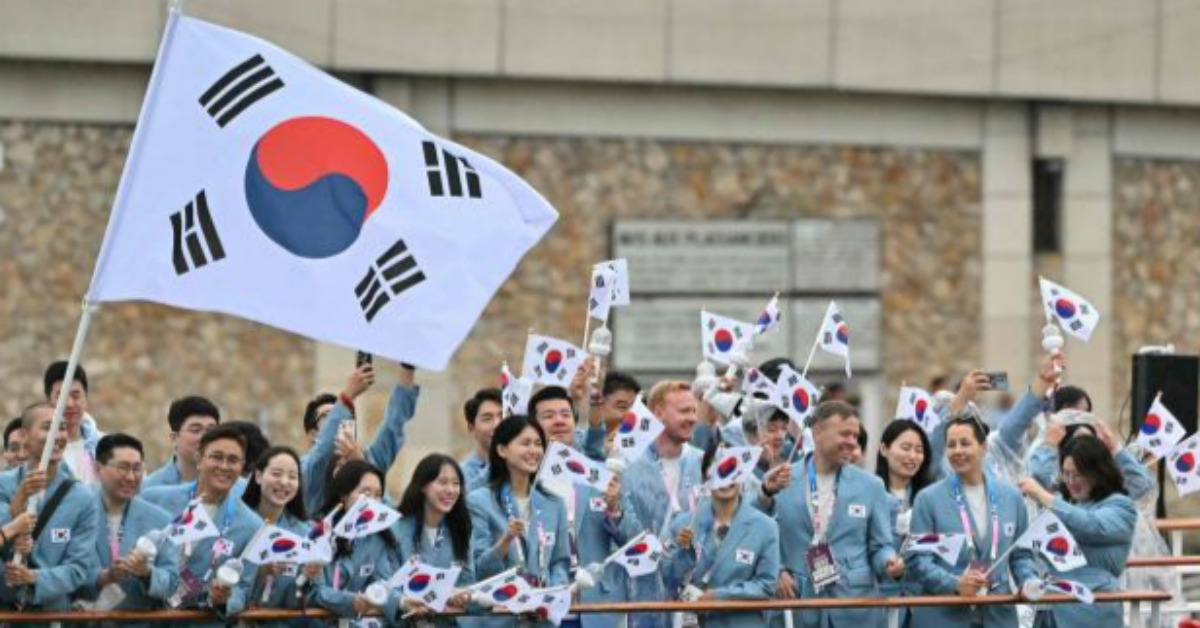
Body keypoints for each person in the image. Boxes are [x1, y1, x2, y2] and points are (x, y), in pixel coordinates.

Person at [757, 400, 902, 628]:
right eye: (844, 434)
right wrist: (777, 571)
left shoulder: (871, 486)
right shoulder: (781, 478)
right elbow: (755, 532)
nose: (852, 442)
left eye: (855, 436)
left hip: (855, 608)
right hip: (797, 605)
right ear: (817, 433)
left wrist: (890, 562)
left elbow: (881, 546)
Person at [909, 416, 1040, 628]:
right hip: (944, 616)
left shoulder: (1011, 497)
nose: (957, 451)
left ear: (984, 447)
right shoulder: (928, 499)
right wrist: (955, 584)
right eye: (951, 445)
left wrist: (1028, 580)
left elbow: (1021, 554)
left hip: (998, 614)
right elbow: (917, 561)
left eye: (965, 443)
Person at [531, 386, 641, 628]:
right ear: (533, 428)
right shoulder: (527, 483)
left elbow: (633, 540)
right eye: (548, 416)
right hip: (546, 606)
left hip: (598, 606)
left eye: (565, 414)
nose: (559, 421)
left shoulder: (601, 475)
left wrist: (614, 509)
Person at [140, 424, 262, 624]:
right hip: (147, 616)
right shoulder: (155, 499)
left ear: (241, 467)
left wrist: (222, 599)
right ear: (199, 460)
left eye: (233, 460)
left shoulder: (251, 525)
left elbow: (243, 590)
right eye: (216, 457)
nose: (224, 466)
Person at [1019, 437, 1137, 628]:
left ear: (1099, 472)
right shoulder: (1069, 506)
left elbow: (1092, 525)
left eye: (1078, 474)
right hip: (1049, 609)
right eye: (1066, 474)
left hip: (1090, 613)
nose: (1071, 481)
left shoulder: (1121, 506)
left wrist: (1044, 496)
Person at [468, 415, 570, 628]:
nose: (534, 450)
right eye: (525, 443)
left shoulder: (554, 504)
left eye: (538, 444)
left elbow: (560, 561)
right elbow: (479, 570)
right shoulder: (480, 501)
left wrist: (552, 594)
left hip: (542, 619)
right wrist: (506, 541)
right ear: (502, 450)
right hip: (500, 618)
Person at [665, 442, 780, 628]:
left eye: (732, 467)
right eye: (718, 468)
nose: (726, 477)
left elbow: (766, 586)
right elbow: (669, 581)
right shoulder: (683, 524)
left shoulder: (766, 527)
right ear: (705, 476)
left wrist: (719, 597)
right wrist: (683, 553)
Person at [0, 402, 100, 610]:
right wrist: (19, 499)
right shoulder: (3, 486)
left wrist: (34, 577)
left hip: (51, 614)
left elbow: (78, 568)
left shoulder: (82, 497)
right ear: (25, 436)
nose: (57, 435)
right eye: (48, 427)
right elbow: (6, 534)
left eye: (61, 427)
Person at [620, 381, 704, 628]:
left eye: (694, 411)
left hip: (692, 596)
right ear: (657, 413)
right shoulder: (627, 464)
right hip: (637, 595)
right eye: (684, 411)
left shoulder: (702, 462)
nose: (692, 418)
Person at [78, 433, 180, 612]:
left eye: (137, 469)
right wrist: (104, 577)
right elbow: (63, 573)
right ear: (98, 468)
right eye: (123, 468)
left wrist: (146, 573)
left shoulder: (160, 520)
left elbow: (172, 582)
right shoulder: (77, 515)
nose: (131, 477)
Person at [303, 360, 418, 515]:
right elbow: (324, 449)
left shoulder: (370, 458)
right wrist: (347, 396)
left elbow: (394, 425)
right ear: (312, 434)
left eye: (346, 416)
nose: (340, 422)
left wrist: (407, 368)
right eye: (329, 418)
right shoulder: (307, 469)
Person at [311, 460, 401, 623]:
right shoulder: (320, 532)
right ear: (344, 495)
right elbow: (315, 591)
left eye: (378, 495)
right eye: (365, 493)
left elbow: (382, 583)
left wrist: (402, 601)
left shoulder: (376, 539)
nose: (372, 501)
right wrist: (352, 601)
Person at [242, 446, 321, 626]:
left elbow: (298, 602)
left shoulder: (305, 533)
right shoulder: (239, 523)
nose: (284, 482)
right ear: (258, 476)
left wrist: (305, 579)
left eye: (293, 477)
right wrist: (258, 572)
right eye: (276, 474)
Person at [395, 454, 476, 621]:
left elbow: (468, 582)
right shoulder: (396, 529)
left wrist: (463, 596)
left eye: (456, 484)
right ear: (423, 486)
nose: (451, 490)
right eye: (443, 482)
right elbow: (384, 583)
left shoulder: (461, 530)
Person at [874, 420, 933, 625]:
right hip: (879, 602)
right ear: (884, 449)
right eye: (905, 448)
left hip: (921, 603)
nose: (912, 456)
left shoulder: (929, 497)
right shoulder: (870, 493)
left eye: (919, 450)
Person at [1028, 411, 1153, 501]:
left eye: (1091, 442)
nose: (1086, 450)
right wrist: (1049, 445)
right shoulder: (1062, 492)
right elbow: (1040, 479)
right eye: (1078, 443)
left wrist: (1116, 449)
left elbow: (1140, 486)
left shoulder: (1108, 491)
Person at [43, 361, 102, 485]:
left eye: (76, 396)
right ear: (49, 400)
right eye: (62, 397)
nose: (70, 404)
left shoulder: (104, 445)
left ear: (86, 397)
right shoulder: (40, 450)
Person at [143, 396, 221, 490]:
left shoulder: (237, 487)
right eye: (195, 430)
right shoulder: (149, 489)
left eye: (211, 430)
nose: (205, 438)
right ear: (174, 438)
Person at [461, 388, 503, 492]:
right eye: (487, 418)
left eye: (502, 416)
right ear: (471, 428)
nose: (497, 425)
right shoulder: (461, 475)